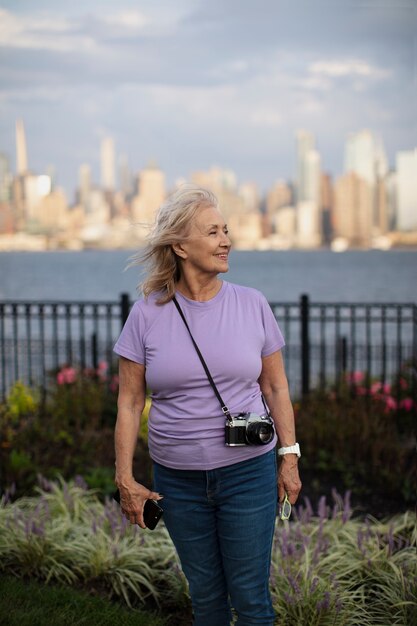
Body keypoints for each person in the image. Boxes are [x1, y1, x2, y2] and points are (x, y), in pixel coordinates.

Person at [113, 184, 302, 626]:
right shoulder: (146, 314)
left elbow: (276, 389)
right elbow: (129, 402)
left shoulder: (251, 304)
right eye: (213, 231)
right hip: (177, 483)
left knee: (251, 599)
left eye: (226, 230)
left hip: (247, 476)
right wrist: (125, 477)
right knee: (206, 600)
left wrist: (289, 457)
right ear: (180, 246)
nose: (226, 240)